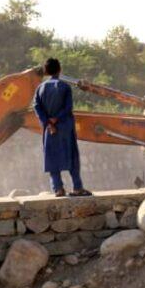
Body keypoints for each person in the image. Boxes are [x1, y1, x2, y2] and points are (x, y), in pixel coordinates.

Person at [33, 58, 91, 197]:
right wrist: (56, 119)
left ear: (46, 71)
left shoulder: (40, 88)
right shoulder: (65, 87)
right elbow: (68, 108)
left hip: (50, 129)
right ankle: (77, 187)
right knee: (72, 156)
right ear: (60, 70)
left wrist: (48, 122)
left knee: (52, 157)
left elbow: (37, 107)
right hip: (65, 127)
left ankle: (58, 189)